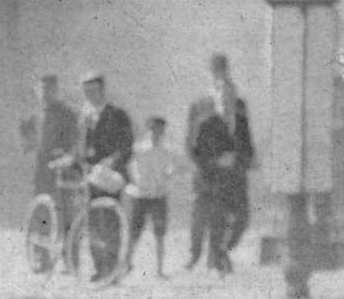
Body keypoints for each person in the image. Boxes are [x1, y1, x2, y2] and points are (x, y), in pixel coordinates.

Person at [186, 54, 255, 275]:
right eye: (217, 71)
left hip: (236, 172)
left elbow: (246, 139)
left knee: (242, 219)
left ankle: (222, 251)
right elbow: (191, 146)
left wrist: (244, 159)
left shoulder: (240, 104)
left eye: (224, 71)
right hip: (211, 174)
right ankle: (214, 259)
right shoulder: (200, 106)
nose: (221, 77)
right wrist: (213, 163)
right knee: (214, 219)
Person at [126, 116, 176, 276]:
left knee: (160, 234)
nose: (156, 133)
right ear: (148, 130)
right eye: (153, 129)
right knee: (134, 232)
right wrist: (136, 181)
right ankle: (126, 263)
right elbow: (131, 166)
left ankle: (159, 270)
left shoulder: (166, 150)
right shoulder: (139, 149)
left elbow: (171, 170)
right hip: (141, 195)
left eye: (159, 130)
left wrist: (166, 181)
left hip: (158, 196)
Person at [23, 74, 79, 198]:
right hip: (41, 169)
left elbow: (76, 141)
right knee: (40, 204)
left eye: (49, 89)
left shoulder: (68, 114)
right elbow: (30, 142)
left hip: (60, 168)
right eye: (42, 89)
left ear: (56, 91)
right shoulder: (36, 116)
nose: (45, 93)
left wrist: (66, 156)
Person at [75, 71, 135, 180]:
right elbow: (80, 148)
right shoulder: (83, 117)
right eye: (86, 91)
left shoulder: (118, 114)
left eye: (93, 90)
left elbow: (127, 147)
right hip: (88, 175)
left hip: (113, 176)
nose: (89, 95)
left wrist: (112, 160)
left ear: (102, 90)